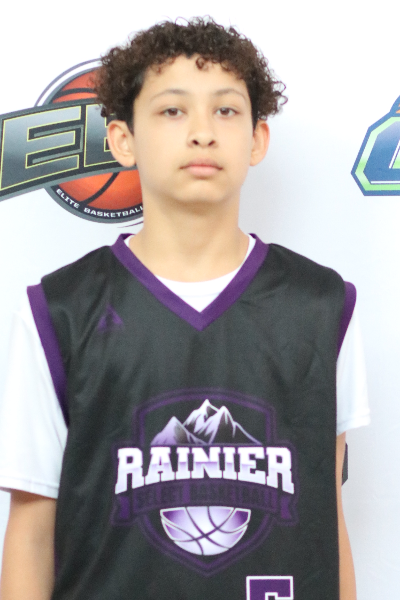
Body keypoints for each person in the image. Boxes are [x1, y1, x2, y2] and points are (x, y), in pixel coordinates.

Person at [0, 17, 369, 600]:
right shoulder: (58, 311)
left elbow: (328, 515)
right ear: (122, 139)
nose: (202, 132)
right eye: (172, 110)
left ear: (257, 139)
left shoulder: (323, 305)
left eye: (226, 110)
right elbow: (31, 528)